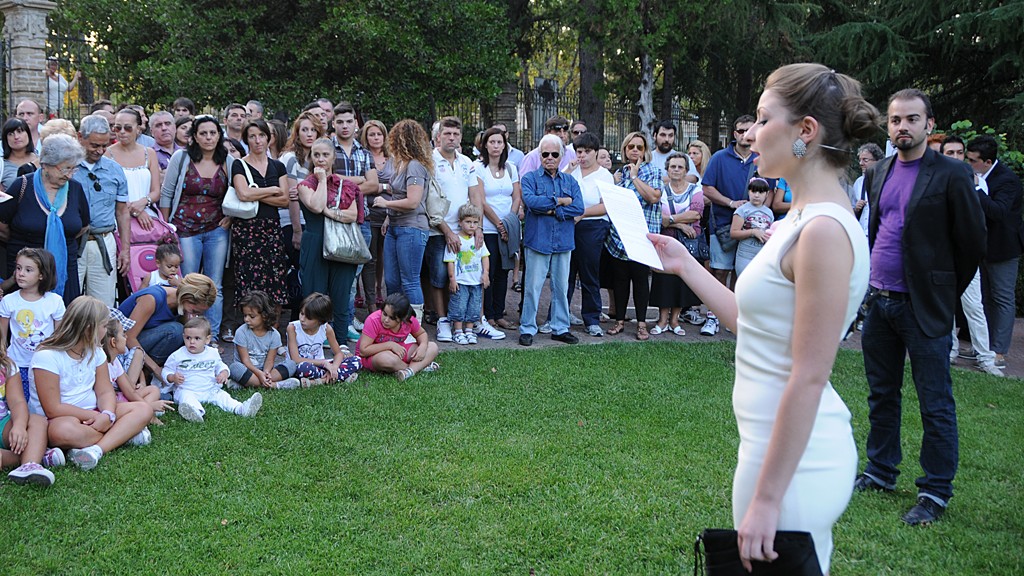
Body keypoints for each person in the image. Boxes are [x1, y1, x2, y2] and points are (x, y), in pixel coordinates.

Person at [650, 63, 877, 572]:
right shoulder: (798, 217)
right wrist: (684, 263)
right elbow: (753, 324)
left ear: (806, 132)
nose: (751, 133)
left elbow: (810, 373)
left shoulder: (822, 232)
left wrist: (770, 497)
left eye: (762, 118)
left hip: (794, 467)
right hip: (769, 442)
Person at [856, 88, 986, 526]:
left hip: (924, 307)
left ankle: (934, 491)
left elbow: (972, 242)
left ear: (929, 125)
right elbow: (878, 231)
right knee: (881, 393)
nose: (902, 127)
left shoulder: (951, 174)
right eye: (895, 120)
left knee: (935, 401)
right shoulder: (879, 173)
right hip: (880, 303)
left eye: (911, 119)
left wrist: (943, 293)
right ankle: (880, 470)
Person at [30, 296, 153, 471]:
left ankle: (96, 450)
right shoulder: (47, 356)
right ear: (89, 329)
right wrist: (96, 418)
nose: (106, 331)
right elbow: (53, 408)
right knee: (62, 432)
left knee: (143, 409)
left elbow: (105, 392)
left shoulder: (96, 352)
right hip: (60, 419)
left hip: (94, 411)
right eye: (103, 326)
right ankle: (123, 435)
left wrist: (108, 414)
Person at [160, 116, 233, 340]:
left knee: (215, 285)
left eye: (213, 133)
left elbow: (236, 194)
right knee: (189, 283)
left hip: (216, 229)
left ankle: (211, 337)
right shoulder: (181, 158)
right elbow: (167, 192)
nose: (208, 137)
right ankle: (190, 334)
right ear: (195, 136)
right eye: (203, 133)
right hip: (184, 228)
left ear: (219, 135)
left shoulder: (228, 161)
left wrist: (230, 216)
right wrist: (166, 225)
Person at [0, 134, 90, 304]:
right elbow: (2, 226)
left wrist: (58, 240)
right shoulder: (21, 185)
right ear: (45, 165)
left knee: (64, 322)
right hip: (25, 273)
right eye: (64, 169)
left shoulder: (76, 189)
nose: (70, 175)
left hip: (64, 271)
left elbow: (83, 226)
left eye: (73, 169)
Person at [519, 134, 584, 347]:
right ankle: (527, 328)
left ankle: (560, 328)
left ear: (561, 156)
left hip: (563, 241)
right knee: (532, 287)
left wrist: (552, 210)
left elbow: (579, 208)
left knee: (561, 287)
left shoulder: (571, 181)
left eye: (554, 154)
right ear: (539, 155)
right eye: (545, 154)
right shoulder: (529, 179)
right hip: (538, 240)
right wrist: (561, 202)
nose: (549, 157)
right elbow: (531, 202)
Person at [700, 114, 761, 336]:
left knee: (743, 275)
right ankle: (713, 316)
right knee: (720, 271)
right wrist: (732, 203)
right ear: (734, 134)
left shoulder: (761, 158)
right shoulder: (719, 157)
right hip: (723, 225)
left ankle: (734, 317)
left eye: (749, 130)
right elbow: (707, 188)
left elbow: (771, 190)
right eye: (741, 130)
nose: (745, 134)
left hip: (752, 229)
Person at [966, 135, 1023, 370]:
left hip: (1004, 248)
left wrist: (977, 189)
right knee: (984, 298)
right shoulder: (975, 175)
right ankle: (984, 347)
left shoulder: (1007, 181)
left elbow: (998, 212)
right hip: (982, 247)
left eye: (972, 160)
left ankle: (999, 350)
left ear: (987, 162)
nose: (968, 164)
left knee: (1002, 297)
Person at [297, 138, 362, 337]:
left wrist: (329, 213)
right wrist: (323, 180)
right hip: (315, 243)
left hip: (341, 245)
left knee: (341, 297)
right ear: (310, 157)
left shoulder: (346, 185)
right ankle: (312, 342)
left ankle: (341, 342)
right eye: (316, 155)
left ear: (333, 157)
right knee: (313, 297)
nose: (321, 159)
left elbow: (352, 215)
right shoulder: (305, 184)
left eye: (325, 155)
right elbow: (316, 206)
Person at [605, 131, 663, 341]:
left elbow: (653, 197)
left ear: (645, 150)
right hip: (620, 236)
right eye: (631, 147)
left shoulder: (652, 171)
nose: (635, 151)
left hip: (642, 236)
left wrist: (635, 177)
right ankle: (619, 321)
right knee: (620, 280)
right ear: (625, 150)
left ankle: (641, 324)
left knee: (640, 280)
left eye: (639, 147)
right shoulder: (619, 172)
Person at [372, 120, 433, 320]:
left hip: (412, 228)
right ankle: (394, 322)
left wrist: (385, 204)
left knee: (410, 281)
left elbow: (414, 201)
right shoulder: (402, 164)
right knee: (391, 280)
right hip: (396, 227)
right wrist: (389, 219)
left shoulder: (415, 166)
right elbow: (400, 196)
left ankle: (413, 326)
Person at [230, 119, 290, 315]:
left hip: (272, 229)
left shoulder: (278, 166)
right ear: (246, 140)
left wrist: (257, 193)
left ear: (269, 138)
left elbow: (284, 200)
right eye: (252, 136)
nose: (257, 141)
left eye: (261, 136)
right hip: (246, 229)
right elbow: (243, 195)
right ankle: (252, 327)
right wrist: (272, 190)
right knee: (249, 280)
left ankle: (272, 328)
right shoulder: (239, 164)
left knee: (276, 279)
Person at [71, 115, 128, 307]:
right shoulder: (67, 167)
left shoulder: (115, 170)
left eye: (105, 145)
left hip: (104, 240)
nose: (100, 150)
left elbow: (122, 212)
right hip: (74, 241)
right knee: (70, 303)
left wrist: (125, 249)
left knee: (103, 305)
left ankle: (101, 338)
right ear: (80, 137)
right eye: (95, 145)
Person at [165, 317, 263, 423]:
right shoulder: (178, 355)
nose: (192, 342)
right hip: (187, 389)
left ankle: (241, 409)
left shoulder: (212, 353)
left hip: (210, 389)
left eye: (197, 338)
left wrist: (224, 373)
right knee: (185, 398)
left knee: (223, 396)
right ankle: (195, 412)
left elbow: (220, 365)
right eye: (188, 338)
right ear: (183, 337)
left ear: (207, 339)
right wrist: (172, 377)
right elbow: (166, 370)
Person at [0, 248, 65, 402]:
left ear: (42, 274)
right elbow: (2, 335)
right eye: (18, 268)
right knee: (19, 403)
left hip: (46, 364)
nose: (21, 273)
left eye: (28, 270)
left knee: (44, 403)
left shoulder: (54, 301)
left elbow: (60, 334)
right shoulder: (9, 301)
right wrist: (4, 359)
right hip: (17, 363)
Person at [649, 153, 704, 336]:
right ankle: (662, 320)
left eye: (680, 167)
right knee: (664, 281)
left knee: (682, 282)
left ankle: (675, 320)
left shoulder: (695, 189)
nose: (676, 170)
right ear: (667, 169)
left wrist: (670, 220)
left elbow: (696, 214)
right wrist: (679, 223)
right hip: (666, 243)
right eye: (673, 166)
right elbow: (659, 218)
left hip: (688, 244)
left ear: (687, 170)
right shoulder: (661, 190)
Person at [278, 111, 325, 321]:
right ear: (296, 133)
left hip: (315, 222)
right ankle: (295, 324)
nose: (309, 134)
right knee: (298, 274)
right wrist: (297, 230)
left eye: (313, 130)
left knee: (312, 275)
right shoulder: (290, 158)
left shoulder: (320, 159)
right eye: (304, 130)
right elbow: (291, 197)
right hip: (293, 222)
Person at [106, 108, 163, 277]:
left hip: (147, 216)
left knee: (146, 265)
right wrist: (135, 211)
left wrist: (143, 204)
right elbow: (110, 193)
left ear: (139, 128)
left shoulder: (149, 153)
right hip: (119, 218)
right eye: (117, 128)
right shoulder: (108, 154)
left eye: (128, 128)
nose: (122, 132)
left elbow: (156, 191)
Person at [566, 132, 612, 337]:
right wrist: (568, 168)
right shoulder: (572, 171)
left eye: (587, 151)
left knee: (589, 274)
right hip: (569, 226)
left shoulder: (604, 175)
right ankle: (559, 316)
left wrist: (582, 214)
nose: (582, 156)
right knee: (565, 273)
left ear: (596, 152)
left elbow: (606, 206)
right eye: (579, 151)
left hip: (592, 227)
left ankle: (592, 319)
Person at [118, 272, 218, 366]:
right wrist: (157, 371)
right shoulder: (152, 298)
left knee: (187, 334)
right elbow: (129, 337)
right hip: (122, 343)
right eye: (194, 311)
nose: (195, 315)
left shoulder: (182, 304)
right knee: (175, 330)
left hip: (142, 339)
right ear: (187, 298)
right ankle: (148, 370)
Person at [0, 336, 61, 486]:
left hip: (3, 424)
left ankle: (29, 465)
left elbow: (17, 402)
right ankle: (38, 454)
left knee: (37, 420)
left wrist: (19, 426)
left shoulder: (6, 366)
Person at [356, 293, 439, 381]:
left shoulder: (409, 320)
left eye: (392, 318)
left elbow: (421, 334)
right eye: (384, 314)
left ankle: (409, 371)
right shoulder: (373, 320)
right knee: (386, 359)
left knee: (433, 347)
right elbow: (363, 351)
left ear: (402, 319)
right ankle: (418, 367)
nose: (386, 320)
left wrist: (423, 346)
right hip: (372, 356)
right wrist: (390, 345)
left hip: (398, 351)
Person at [101, 316, 168, 424]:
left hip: (121, 398)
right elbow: (108, 402)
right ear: (113, 342)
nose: (126, 337)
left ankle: (143, 413)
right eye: (123, 334)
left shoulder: (115, 362)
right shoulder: (104, 366)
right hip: (113, 405)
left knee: (154, 390)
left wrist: (142, 390)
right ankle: (145, 415)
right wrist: (149, 406)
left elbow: (130, 390)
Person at [227, 291, 299, 390]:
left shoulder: (274, 335)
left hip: (266, 371)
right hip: (247, 370)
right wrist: (259, 374)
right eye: (245, 315)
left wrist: (265, 373)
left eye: (251, 316)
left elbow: (270, 361)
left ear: (265, 315)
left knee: (291, 364)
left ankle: (246, 385)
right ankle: (276, 385)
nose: (246, 319)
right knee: (234, 368)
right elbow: (245, 361)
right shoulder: (241, 332)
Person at [287, 292, 361, 386]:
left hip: (322, 366)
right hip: (303, 365)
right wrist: (324, 363)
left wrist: (333, 367)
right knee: (302, 368)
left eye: (308, 317)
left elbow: (338, 353)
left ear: (320, 320)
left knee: (356, 360)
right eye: (301, 313)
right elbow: (295, 359)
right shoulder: (292, 328)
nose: (302, 319)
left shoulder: (326, 329)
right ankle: (339, 376)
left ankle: (320, 380)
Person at [444, 203, 490, 345]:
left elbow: (485, 257)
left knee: (474, 306)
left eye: (475, 222)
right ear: (460, 222)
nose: (472, 225)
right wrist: (452, 279)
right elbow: (450, 260)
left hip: (475, 281)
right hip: (461, 281)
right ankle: (458, 331)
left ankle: (469, 331)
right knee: (459, 306)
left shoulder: (478, 241)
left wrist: (486, 274)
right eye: (468, 222)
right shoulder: (456, 240)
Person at [361, 120, 391, 312]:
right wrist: (382, 187)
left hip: (389, 214)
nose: (375, 138)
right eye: (371, 134)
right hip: (368, 213)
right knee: (369, 258)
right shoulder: (362, 157)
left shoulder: (393, 159)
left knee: (383, 257)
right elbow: (364, 186)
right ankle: (369, 298)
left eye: (379, 134)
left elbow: (397, 186)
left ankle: (380, 290)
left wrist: (380, 187)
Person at [731, 177, 774, 277]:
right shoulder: (742, 210)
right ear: (749, 192)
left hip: (762, 257)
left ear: (767, 194)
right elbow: (733, 233)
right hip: (745, 255)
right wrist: (753, 232)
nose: (756, 195)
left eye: (761, 192)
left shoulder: (769, 212)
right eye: (753, 191)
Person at [852, 143, 884, 235]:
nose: (861, 163)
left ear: (877, 161)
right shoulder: (859, 182)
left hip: (878, 235)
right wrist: (856, 209)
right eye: (860, 160)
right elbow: (852, 209)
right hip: (861, 234)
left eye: (865, 160)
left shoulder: (885, 180)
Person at [1, 118, 39, 191]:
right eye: (10, 134)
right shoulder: (2, 165)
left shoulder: (40, 161)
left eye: (20, 131)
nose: (16, 137)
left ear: (28, 134)